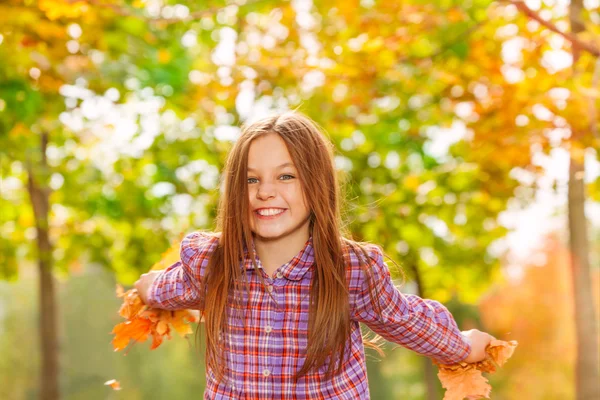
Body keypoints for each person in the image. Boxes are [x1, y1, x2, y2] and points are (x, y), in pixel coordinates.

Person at [134, 111, 494, 399]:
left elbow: (403, 319)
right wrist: (150, 289)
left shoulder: (349, 271)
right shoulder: (214, 263)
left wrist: (461, 346)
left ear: (317, 183)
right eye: (251, 180)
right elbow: (174, 287)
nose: (266, 192)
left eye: (286, 176)